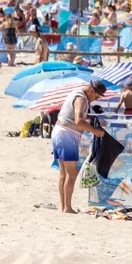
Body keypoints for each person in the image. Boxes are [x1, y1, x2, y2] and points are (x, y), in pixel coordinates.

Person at [52, 80, 108, 214]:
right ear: (91, 90)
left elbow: (79, 116)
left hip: (59, 132)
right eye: (97, 96)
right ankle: (67, 207)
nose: (96, 99)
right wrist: (97, 132)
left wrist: (93, 118)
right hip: (67, 135)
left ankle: (64, 206)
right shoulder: (81, 99)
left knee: (64, 173)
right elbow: (78, 121)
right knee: (72, 173)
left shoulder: (77, 94)